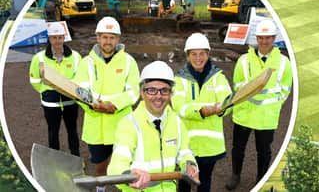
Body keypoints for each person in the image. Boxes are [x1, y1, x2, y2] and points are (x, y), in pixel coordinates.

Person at [108, 61, 199, 191]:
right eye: (152, 90)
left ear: (171, 93)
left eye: (164, 90)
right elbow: (117, 165)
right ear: (142, 92)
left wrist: (189, 164)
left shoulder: (176, 122)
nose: (158, 96)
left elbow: (184, 152)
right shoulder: (128, 124)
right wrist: (129, 175)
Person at [226, 19, 293, 190]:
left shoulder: (284, 63)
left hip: (266, 116)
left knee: (264, 151)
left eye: (268, 38)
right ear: (256, 38)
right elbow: (237, 84)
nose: (264, 41)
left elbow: (285, 89)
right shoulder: (243, 60)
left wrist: (275, 105)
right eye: (261, 37)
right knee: (238, 148)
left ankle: (260, 178)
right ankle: (235, 176)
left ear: (273, 38)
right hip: (244, 113)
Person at [75, 17, 140, 190]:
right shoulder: (86, 63)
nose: (108, 41)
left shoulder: (128, 62)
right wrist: (94, 105)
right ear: (98, 38)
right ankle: (100, 189)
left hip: (121, 125)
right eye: (104, 37)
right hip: (96, 126)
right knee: (100, 166)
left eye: (112, 37)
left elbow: (134, 91)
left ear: (118, 39)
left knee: (125, 164)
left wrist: (114, 105)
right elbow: (80, 92)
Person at [172, 33, 232, 192]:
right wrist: (202, 111)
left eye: (202, 54)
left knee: (204, 182)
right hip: (186, 145)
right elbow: (178, 106)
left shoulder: (218, 78)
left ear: (208, 54)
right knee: (184, 183)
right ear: (188, 55)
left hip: (209, 146)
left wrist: (221, 110)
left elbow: (228, 102)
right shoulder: (179, 79)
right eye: (194, 54)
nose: (198, 58)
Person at [29, 22, 81, 156]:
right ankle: (55, 160)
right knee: (53, 131)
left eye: (60, 37)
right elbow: (34, 80)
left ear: (64, 37)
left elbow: (81, 78)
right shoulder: (39, 58)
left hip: (70, 101)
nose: (57, 41)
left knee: (72, 130)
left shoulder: (75, 57)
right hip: (50, 103)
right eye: (54, 38)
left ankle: (76, 158)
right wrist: (45, 91)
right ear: (50, 38)